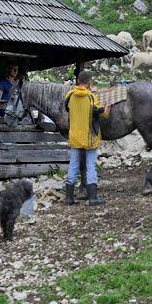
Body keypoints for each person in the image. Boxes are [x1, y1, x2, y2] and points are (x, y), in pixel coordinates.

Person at [62, 70, 109, 206]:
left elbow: (67, 108)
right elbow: (101, 114)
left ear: (78, 81)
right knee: (90, 166)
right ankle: (93, 198)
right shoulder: (91, 97)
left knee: (73, 165)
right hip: (89, 138)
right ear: (89, 82)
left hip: (75, 137)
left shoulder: (70, 95)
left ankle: (69, 197)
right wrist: (107, 108)